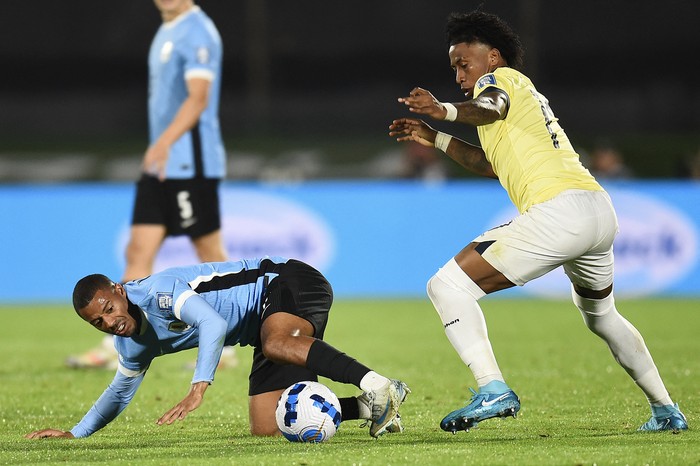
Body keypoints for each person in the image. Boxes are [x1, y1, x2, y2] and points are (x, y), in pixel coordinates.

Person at [389, 10, 687, 433]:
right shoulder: (518, 102)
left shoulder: (501, 82)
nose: (458, 74)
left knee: (447, 286)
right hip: (597, 211)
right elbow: (491, 163)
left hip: (559, 212)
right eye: (453, 67)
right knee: (601, 316)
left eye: (463, 63)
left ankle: (492, 387)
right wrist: (435, 136)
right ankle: (666, 410)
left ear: (492, 57)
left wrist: (442, 110)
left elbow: (489, 106)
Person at [26, 257, 410, 440]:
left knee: (278, 342)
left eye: (108, 310)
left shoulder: (158, 292)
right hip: (263, 327)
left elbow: (212, 322)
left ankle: (377, 384)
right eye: (99, 323)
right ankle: (369, 406)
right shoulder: (131, 344)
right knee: (268, 426)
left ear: (119, 291)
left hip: (285, 281)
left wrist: (199, 387)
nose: (110, 323)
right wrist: (76, 434)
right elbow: (119, 392)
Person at [66, 0, 234, 371]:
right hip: (161, 164)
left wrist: (163, 141)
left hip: (189, 162)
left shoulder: (198, 31)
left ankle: (228, 340)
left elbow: (198, 98)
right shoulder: (167, 30)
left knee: (211, 254)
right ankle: (119, 344)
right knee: (137, 251)